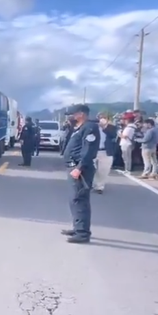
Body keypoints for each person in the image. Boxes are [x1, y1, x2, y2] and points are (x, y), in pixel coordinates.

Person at [61, 104, 99, 244]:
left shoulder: (90, 128)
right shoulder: (80, 128)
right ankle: (78, 227)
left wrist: (80, 167)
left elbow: (88, 150)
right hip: (73, 167)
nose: (70, 117)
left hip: (81, 169)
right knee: (74, 200)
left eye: (73, 114)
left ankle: (82, 233)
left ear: (81, 114)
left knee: (79, 199)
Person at [93, 114, 117, 193]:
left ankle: (100, 186)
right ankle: (91, 184)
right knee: (91, 169)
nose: (102, 119)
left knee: (103, 170)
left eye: (104, 118)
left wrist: (104, 127)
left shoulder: (111, 128)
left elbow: (113, 135)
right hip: (94, 151)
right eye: (100, 118)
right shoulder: (94, 127)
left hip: (106, 151)